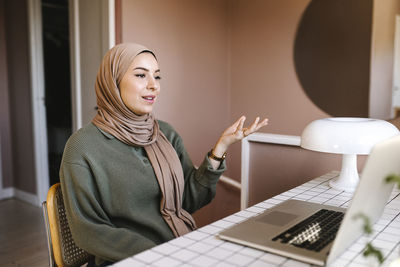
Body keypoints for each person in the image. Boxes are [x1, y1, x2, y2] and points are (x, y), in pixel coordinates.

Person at [60, 43, 268, 266]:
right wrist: (162, 255)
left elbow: (188, 200)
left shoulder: (165, 133)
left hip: (178, 248)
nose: (154, 86)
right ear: (113, 82)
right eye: (141, 75)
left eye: (157, 77)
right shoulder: (82, 147)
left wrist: (221, 148)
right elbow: (88, 231)